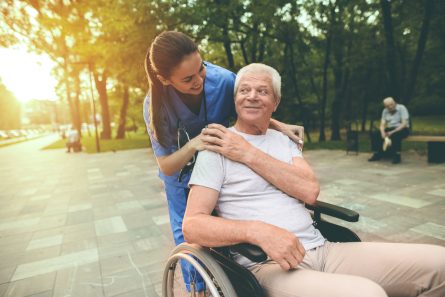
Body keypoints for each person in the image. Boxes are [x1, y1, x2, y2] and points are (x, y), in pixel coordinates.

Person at [183, 63, 445, 297]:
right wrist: (257, 231)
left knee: (440, 263)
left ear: (276, 102)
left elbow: (309, 191)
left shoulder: (284, 140)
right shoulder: (216, 147)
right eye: (244, 90)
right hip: (267, 266)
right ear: (235, 98)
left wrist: (247, 152)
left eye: (262, 91)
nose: (252, 96)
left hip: (323, 249)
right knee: (367, 293)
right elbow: (193, 226)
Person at [142, 31, 304, 292]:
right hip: (181, 179)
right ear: (165, 80)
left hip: (221, 166)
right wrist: (194, 144)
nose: (199, 80)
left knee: (227, 227)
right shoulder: (155, 105)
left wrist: (278, 125)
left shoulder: (224, 80)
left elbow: (247, 110)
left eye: (201, 69)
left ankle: (237, 283)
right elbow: (166, 166)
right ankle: (199, 288)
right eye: (188, 79)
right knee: (192, 236)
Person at [368, 97, 410, 164]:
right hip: (390, 128)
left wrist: (392, 132)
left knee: (395, 135)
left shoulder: (402, 108)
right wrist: (382, 132)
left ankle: (397, 155)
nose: (390, 107)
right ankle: (377, 154)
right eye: (387, 106)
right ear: (385, 106)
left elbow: (404, 124)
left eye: (391, 104)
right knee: (375, 134)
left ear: (394, 103)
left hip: (402, 128)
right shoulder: (385, 111)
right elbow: (382, 124)